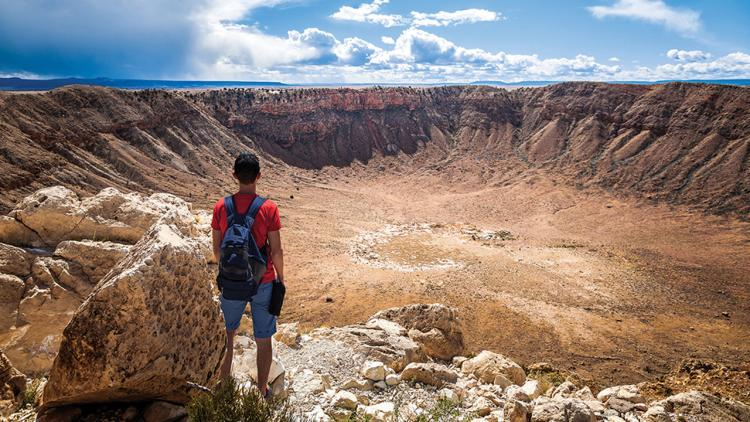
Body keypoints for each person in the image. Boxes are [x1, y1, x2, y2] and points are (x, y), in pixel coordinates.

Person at [211, 152, 284, 398]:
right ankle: (262, 389)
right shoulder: (269, 208)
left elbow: (216, 249)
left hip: (231, 282)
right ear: (259, 177)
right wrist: (280, 279)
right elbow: (276, 250)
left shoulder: (221, 206)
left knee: (228, 334)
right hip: (262, 282)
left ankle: (223, 388)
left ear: (234, 176)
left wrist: (230, 271)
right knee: (263, 338)